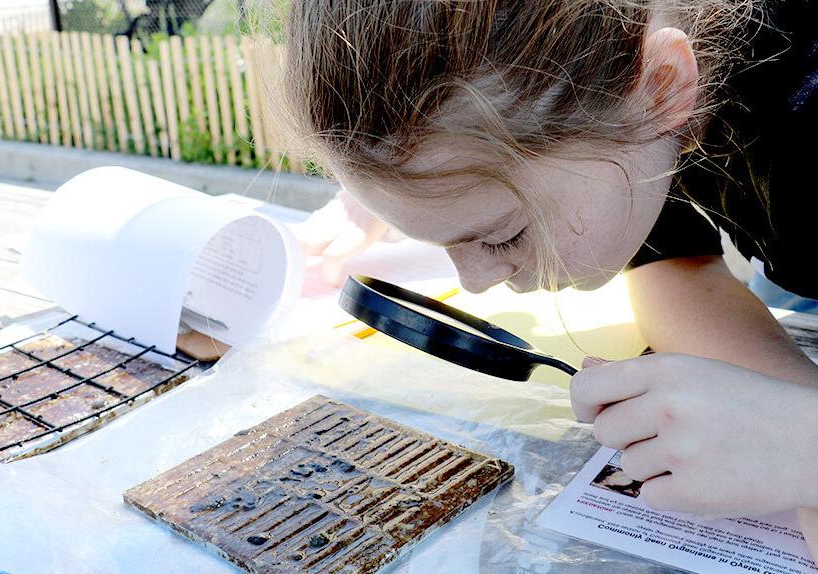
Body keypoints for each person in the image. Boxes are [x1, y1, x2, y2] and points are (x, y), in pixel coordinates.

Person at [281, 0, 818, 555]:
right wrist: (786, 407)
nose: (474, 284)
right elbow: (671, 258)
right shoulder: (626, 101)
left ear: (661, 88)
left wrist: (802, 445)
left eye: (502, 235)